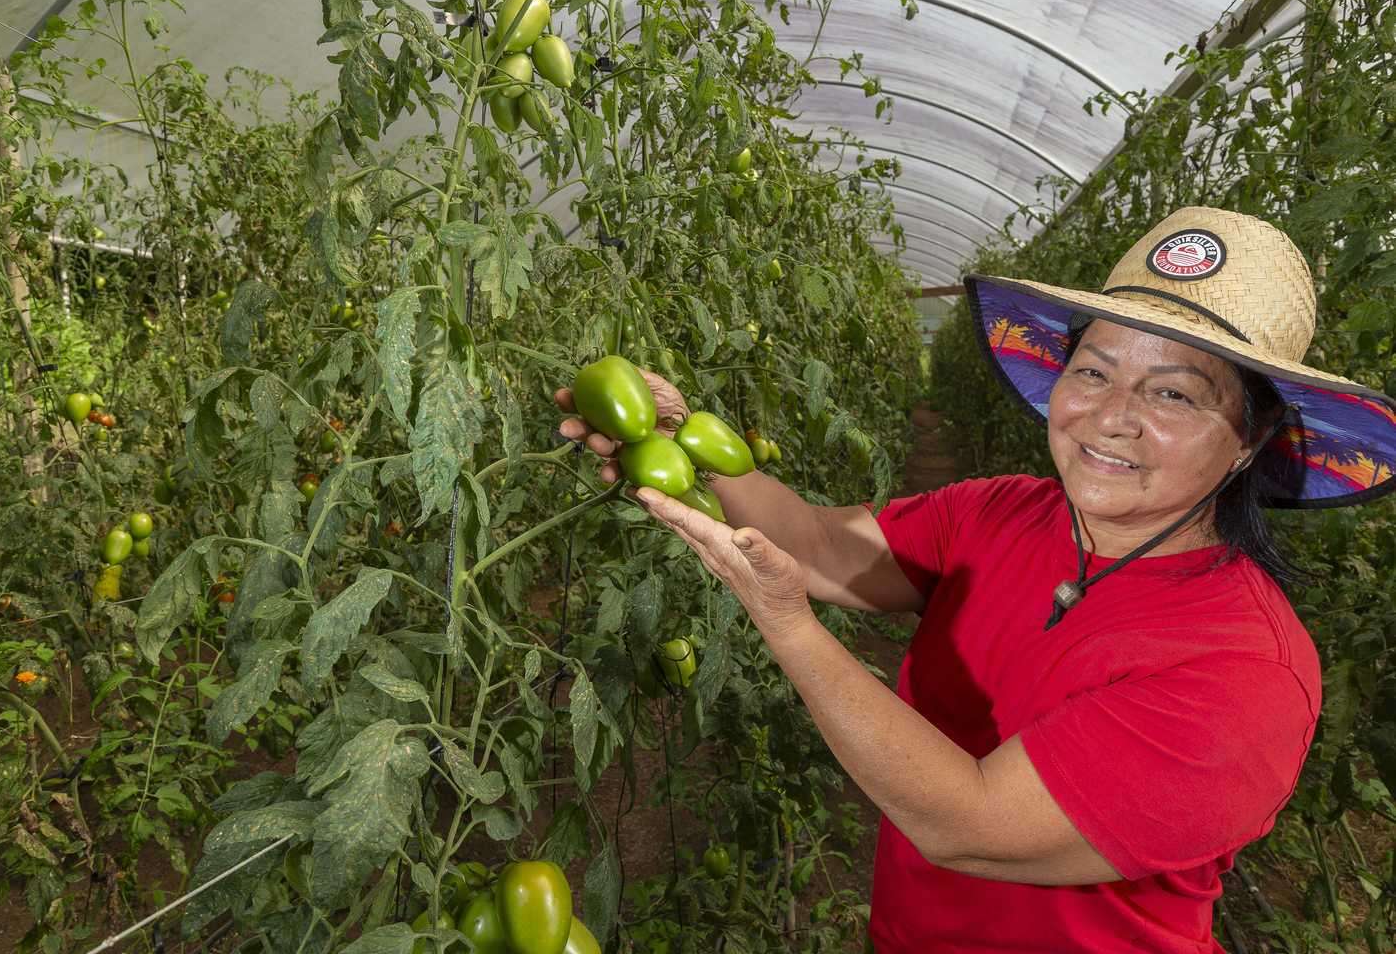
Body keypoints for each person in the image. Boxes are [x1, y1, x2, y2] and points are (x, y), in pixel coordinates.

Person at [556, 206, 1396, 952]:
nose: (1111, 418)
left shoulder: (1244, 670)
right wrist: (679, 438)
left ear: (1251, 440)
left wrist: (787, 624)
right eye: (1094, 371)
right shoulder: (1002, 512)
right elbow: (817, 547)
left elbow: (966, 823)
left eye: (1172, 394)